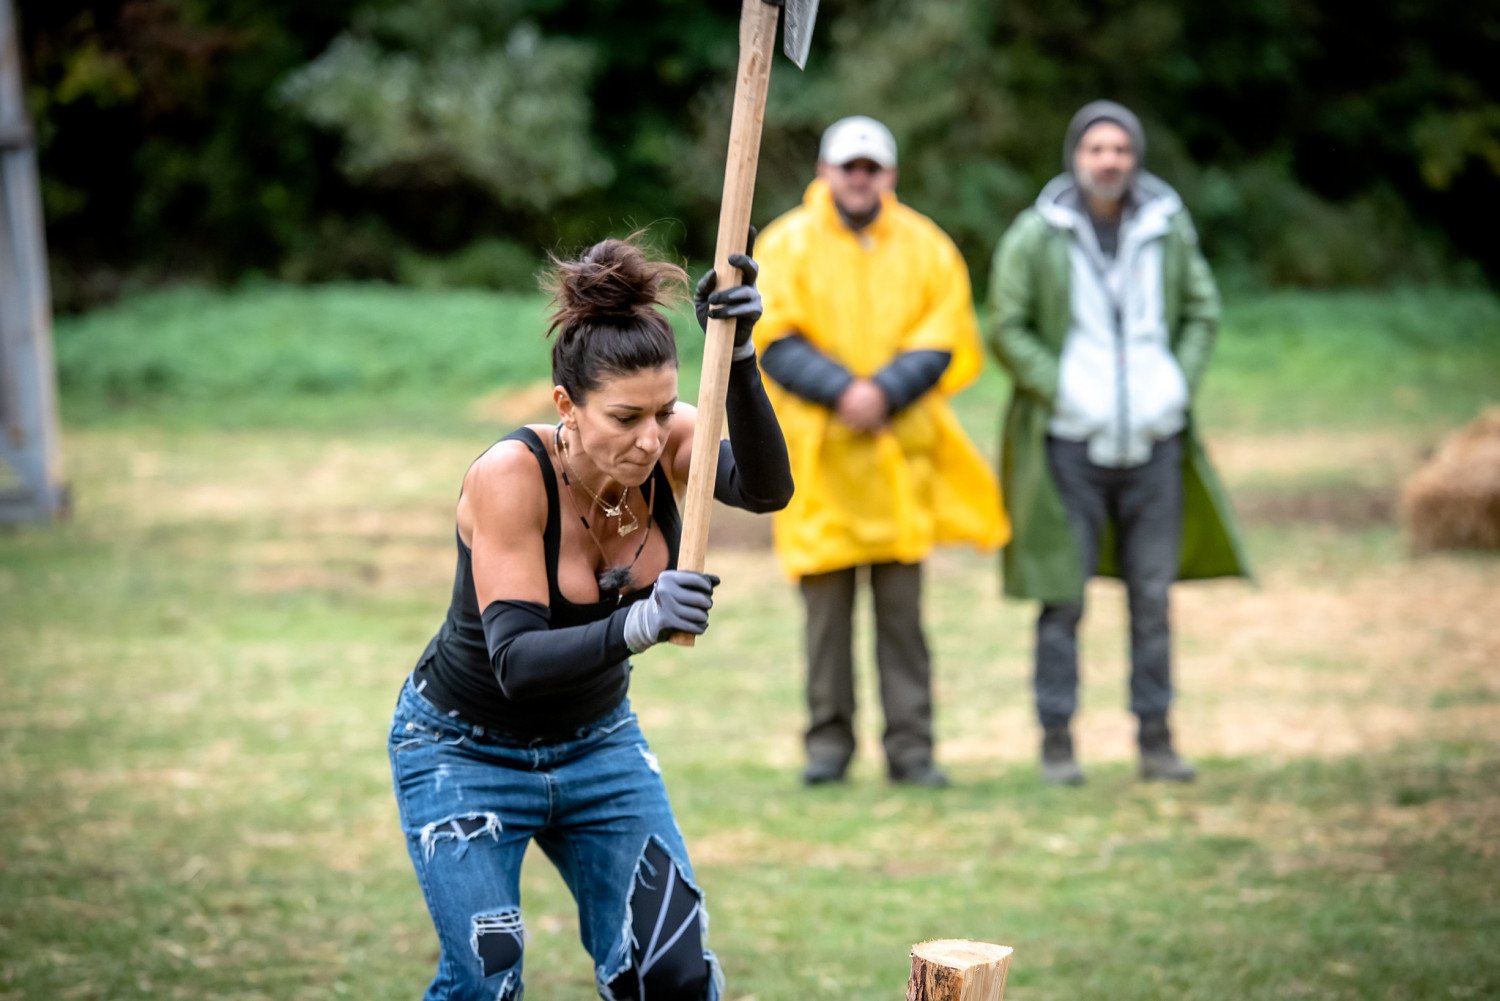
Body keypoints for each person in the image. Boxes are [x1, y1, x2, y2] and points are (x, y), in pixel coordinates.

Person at [388, 234, 792, 1000]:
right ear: (566, 405)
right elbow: (516, 658)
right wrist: (638, 625)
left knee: (671, 970)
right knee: (487, 976)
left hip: (597, 742)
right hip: (463, 749)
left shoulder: (667, 440)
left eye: (664, 410)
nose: (650, 438)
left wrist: (738, 358)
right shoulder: (510, 476)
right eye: (625, 416)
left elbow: (769, 488)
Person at [987, 100, 1251, 786]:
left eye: (1122, 149)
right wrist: (1064, 391)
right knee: (1062, 596)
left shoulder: (1168, 228)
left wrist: (1176, 385)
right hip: (1068, 445)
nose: (1110, 160)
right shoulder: (1035, 234)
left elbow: (1203, 310)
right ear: (1076, 155)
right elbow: (1007, 326)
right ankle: (1057, 742)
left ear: (1136, 158)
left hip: (1155, 445)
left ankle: (1157, 740)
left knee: (1154, 599)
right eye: (1097, 148)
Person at [753, 115, 1009, 789]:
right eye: (849, 166)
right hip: (820, 460)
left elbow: (945, 331)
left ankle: (912, 749)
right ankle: (827, 748)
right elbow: (772, 335)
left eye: (872, 167)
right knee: (825, 621)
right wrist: (843, 392)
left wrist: (884, 392)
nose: (860, 178)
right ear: (825, 172)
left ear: (889, 175)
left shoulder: (926, 247)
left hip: (898, 456)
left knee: (903, 619)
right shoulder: (786, 244)